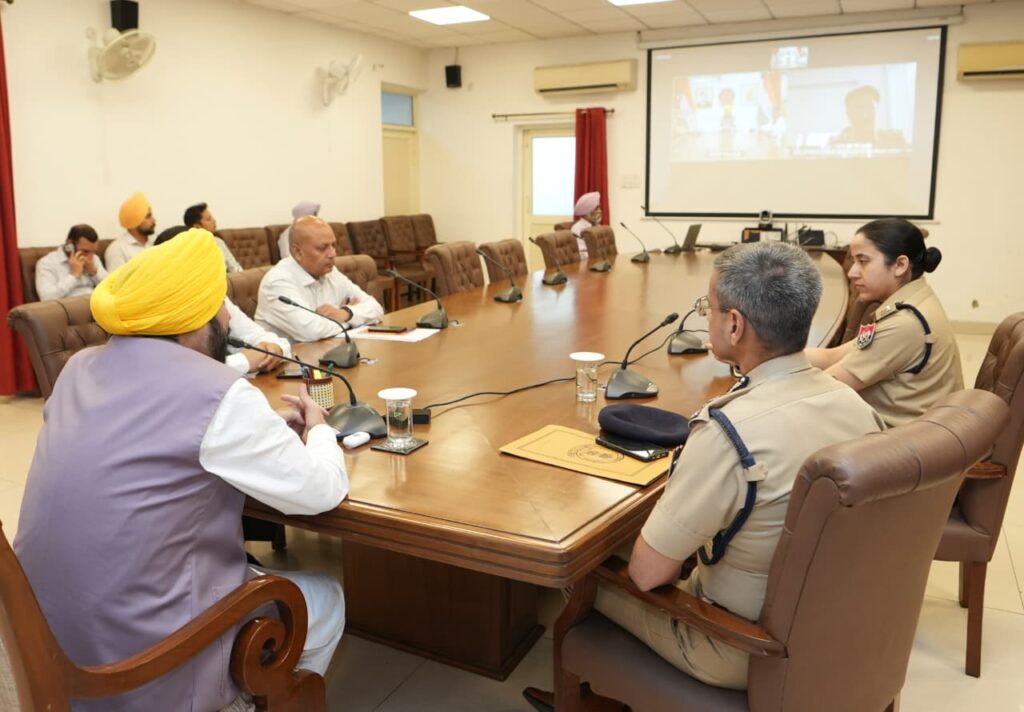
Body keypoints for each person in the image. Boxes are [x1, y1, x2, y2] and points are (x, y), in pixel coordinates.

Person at [524, 243, 884, 710]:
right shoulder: (856, 407)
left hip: (740, 645)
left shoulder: (728, 432)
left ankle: (595, 694)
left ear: (734, 324)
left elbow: (648, 575)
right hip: (836, 625)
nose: (705, 317)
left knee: (576, 564)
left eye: (707, 308)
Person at [13, 229, 347, 712]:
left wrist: (259, 430)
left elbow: (143, 439)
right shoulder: (215, 388)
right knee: (327, 595)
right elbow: (322, 490)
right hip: (146, 665)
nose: (228, 316)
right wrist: (319, 430)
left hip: (47, 643)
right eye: (221, 305)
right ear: (194, 319)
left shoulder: (78, 368)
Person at [806, 218, 962, 426]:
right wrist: (773, 355)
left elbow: (824, 389)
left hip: (898, 439)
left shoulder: (904, 324)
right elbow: (832, 356)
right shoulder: (912, 300)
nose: (852, 273)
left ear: (900, 265)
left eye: (863, 261)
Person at [155, 225, 288, 374]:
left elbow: (262, 337)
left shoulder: (214, 295)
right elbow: (178, 373)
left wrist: (275, 349)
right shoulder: (155, 313)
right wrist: (244, 361)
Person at [256, 215, 383, 342]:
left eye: (333, 245)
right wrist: (353, 320)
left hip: (330, 348)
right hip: (292, 354)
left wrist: (346, 313)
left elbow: (376, 308)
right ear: (297, 252)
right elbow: (312, 332)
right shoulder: (277, 282)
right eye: (323, 248)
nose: (332, 254)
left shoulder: (330, 272)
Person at [34, 223, 108, 301]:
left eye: (94, 251)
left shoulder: (94, 258)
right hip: (70, 306)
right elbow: (46, 297)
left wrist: (94, 273)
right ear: (70, 245)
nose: (90, 257)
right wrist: (74, 276)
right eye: (85, 251)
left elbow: (112, 289)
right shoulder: (47, 263)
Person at [183, 201, 243, 273]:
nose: (214, 221)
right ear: (197, 226)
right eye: (208, 219)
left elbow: (234, 267)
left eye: (212, 217)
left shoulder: (217, 241)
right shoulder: (188, 247)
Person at [105, 191, 156, 270]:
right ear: (135, 221)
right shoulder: (117, 249)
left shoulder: (154, 243)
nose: (154, 220)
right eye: (148, 216)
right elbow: (117, 278)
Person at [570, 191, 602, 259]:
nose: (600, 211)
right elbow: (583, 255)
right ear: (587, 211)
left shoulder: (598, 227)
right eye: (596, 208)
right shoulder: (577, 229)